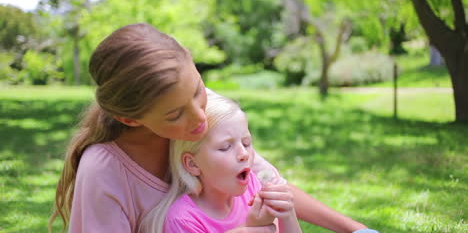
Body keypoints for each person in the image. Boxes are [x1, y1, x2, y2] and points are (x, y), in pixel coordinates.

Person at [49, 23, 378, 233]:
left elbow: (268, 184)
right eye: (175, 114)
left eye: (197, 89)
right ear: (131, 119)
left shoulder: (206, 114)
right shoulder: (105, 169)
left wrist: (356, 229)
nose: (199, 118)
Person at [140, 93, 302, 233]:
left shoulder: (253, 187)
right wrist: (252, 228)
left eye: (246, 143)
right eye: (225, 147)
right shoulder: (183, 220)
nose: (243, 154)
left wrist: (288, 214)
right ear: (193, 164)